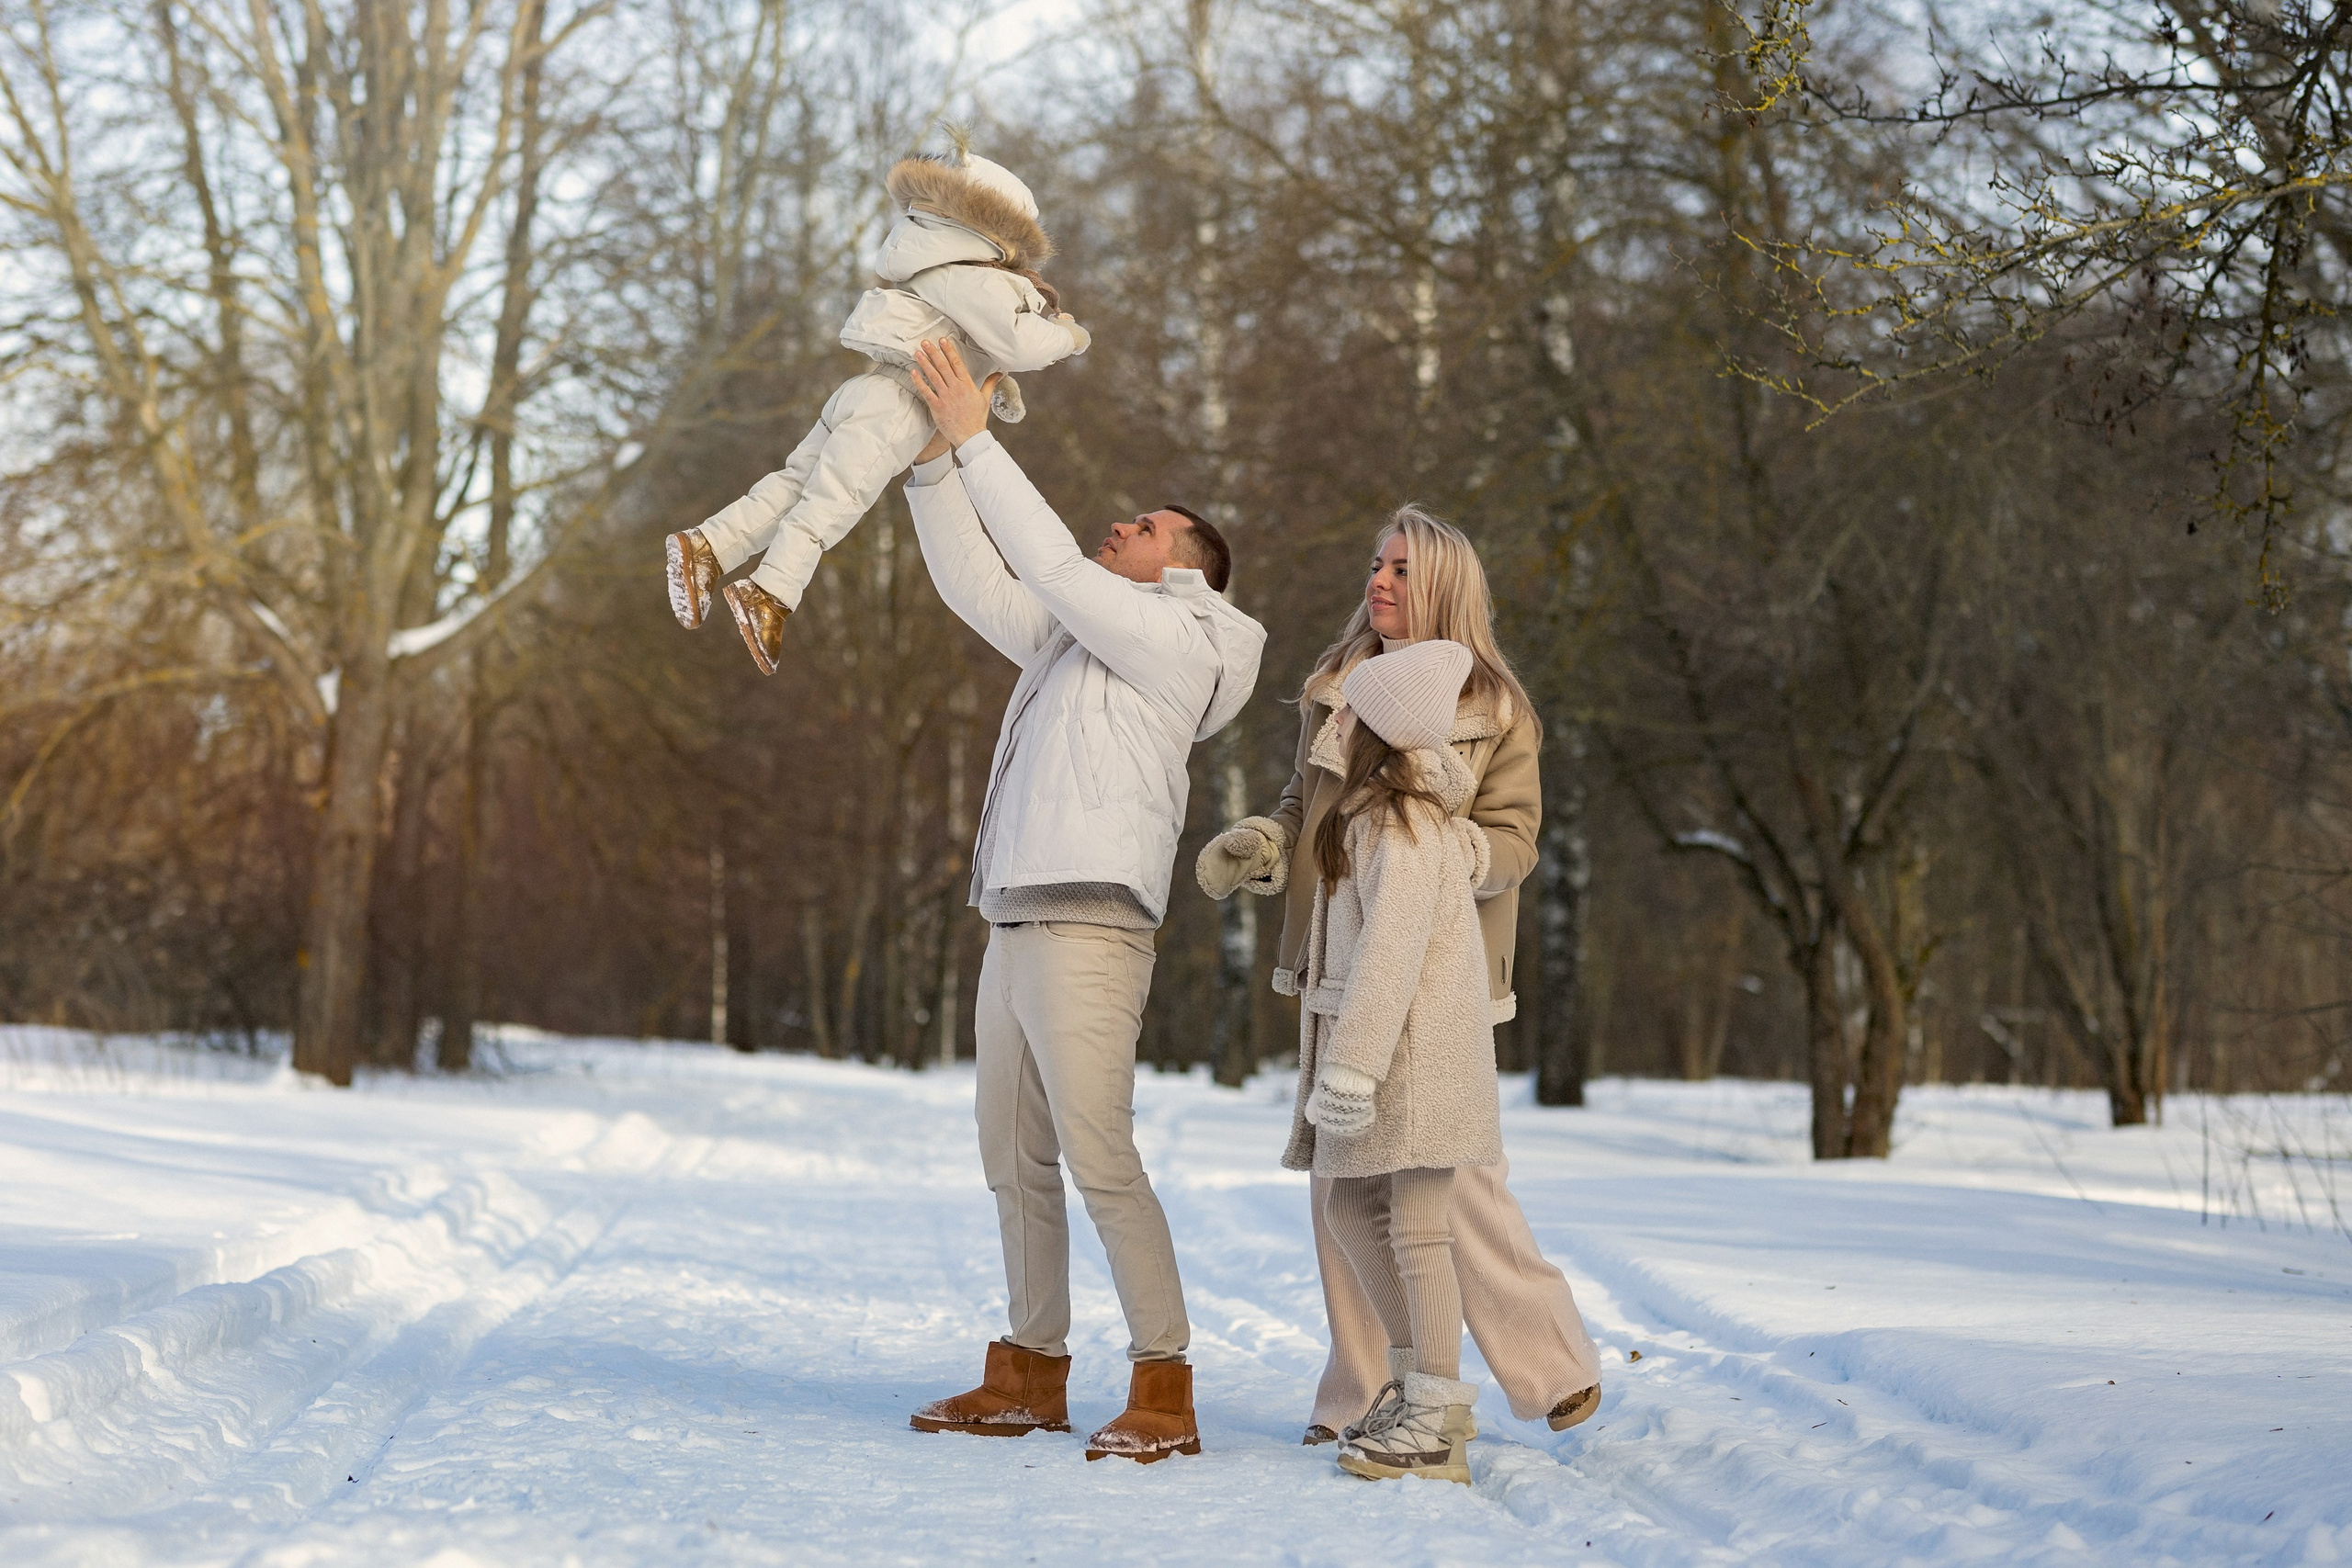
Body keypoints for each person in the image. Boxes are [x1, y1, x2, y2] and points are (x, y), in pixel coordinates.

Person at [894, 336, 1264, 1464]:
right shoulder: (1074, 640)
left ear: (1187, 567)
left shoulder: (1176, 641)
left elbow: (1050, 563)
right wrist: (929, 466)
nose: (1121, 529)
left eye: (1144, 528)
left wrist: (978, 437)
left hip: (1093, 924)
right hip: (1013, 917)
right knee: (1012, 1161)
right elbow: (979, 582)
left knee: (1101, 1156)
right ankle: (1031, 1372)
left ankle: (1164, 1385)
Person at [1196, 506, 1605, 1443]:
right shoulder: (1338, 688)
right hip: (1339, 958)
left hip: (1440, 977)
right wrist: (1266, 841)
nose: (1380, 582)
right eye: (1376, 564)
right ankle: (1360, 1395)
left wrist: (1423, 848)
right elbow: (1311, 807)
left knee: (1457, 1185)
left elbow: (1512, 845)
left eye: (1403, 571)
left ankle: (1549, 1367)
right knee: (1343, 1191)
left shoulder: (1495, 710)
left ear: (1447, 590)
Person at [662, 146, 1090, 674]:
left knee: (798, 483)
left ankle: (708, 546)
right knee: (831, 504)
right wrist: (1069, 335)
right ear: (1000, 232)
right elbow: (1021, 344)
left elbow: (982, 348)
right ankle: (770, 592)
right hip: (901, 407)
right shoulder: (975, 276)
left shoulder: (940, 266)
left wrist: (999, 393)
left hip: (868, 391)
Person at [1282, 637, 1500, 1483]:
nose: (1336, 723)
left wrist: (1353, 1066)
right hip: (1386, 1053)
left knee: (1417, 1228)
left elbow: (1392, 951)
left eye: (1353, 710)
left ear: (1382, 727)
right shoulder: (1373, 812)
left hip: (1413, 1059)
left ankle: (1437, 1418)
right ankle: (1416, 1386)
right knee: (1348, 1215)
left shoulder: (1403, 823)